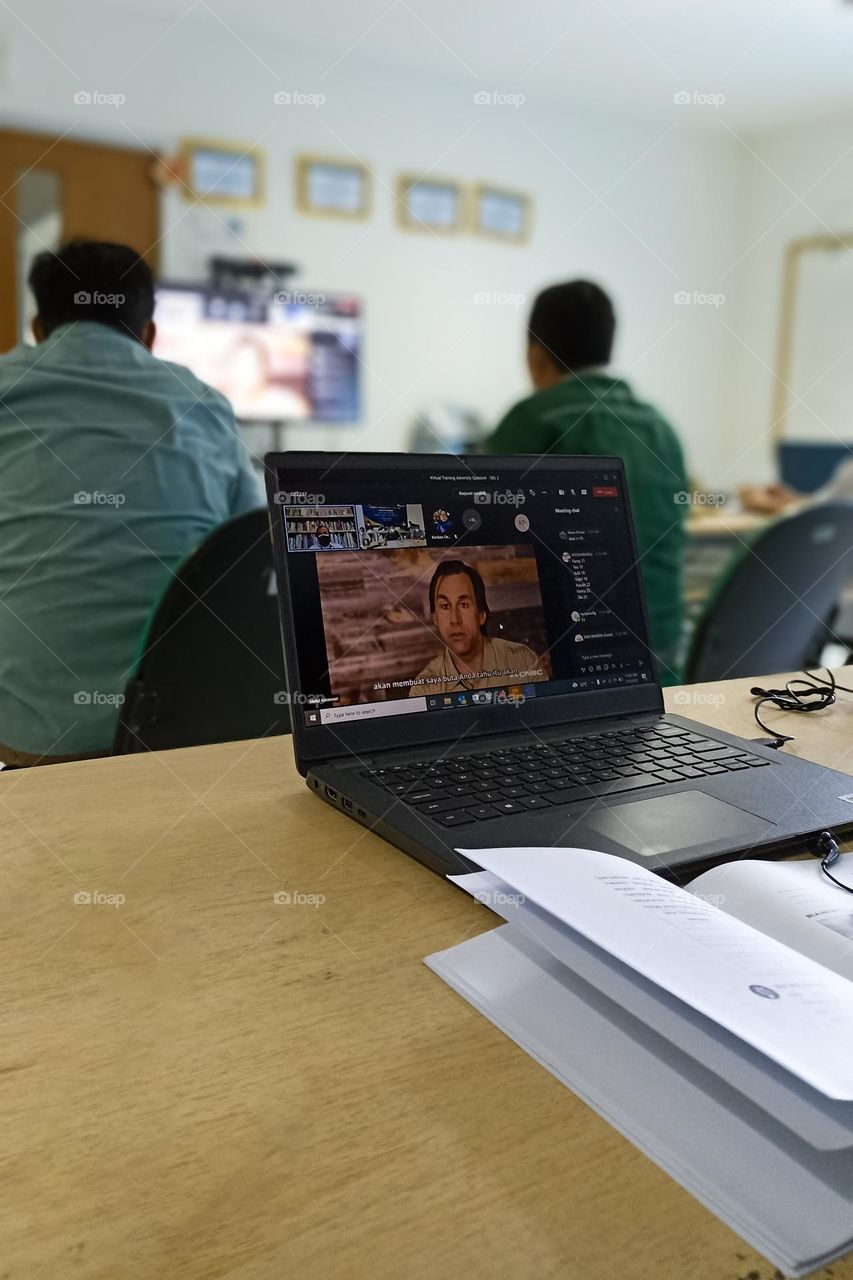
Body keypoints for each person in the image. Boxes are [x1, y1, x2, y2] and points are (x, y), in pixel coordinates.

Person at [0, 239, 262, 764]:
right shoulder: (205, 406)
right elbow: (254, 552)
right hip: (187, 735)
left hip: (32, 739)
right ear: (149, 335)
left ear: (36, 329)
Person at [484, 280, 688, 683]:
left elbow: (476, 532)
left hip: (575, 677)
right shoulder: (661, 428)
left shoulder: (533, 421)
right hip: (665, 668)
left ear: (536, 358)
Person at [408, 559, 547, 696]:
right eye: (445, 606)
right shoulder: (424, 689)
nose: (455, 619)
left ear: (481, 615)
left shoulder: (523, 660)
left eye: (464, 605)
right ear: (435, 618)